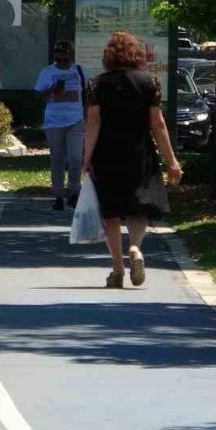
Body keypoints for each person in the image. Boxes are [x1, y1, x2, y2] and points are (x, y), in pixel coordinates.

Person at [83, 31, 182, 289]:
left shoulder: (96, 84)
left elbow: (93, 122)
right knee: (139, 206)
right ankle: (135, 248)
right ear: (137, 54)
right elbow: (157, 124)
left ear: (108, 57)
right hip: (140, 152)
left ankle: (117, 269)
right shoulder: (150, 82)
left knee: (111, 213)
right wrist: (171, 160)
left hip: (107, 152)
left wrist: (87, 156)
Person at [34, 40, 88, 211]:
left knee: (75, 158)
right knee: (56, 159)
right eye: (59, 58)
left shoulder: (79, 71)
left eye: (65, 57)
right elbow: (38, 96)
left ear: (71, 55)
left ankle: (74, 192)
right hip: (54, 121)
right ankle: (58, 194)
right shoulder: (47, 72)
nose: (62, 61)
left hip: (76, 120)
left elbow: (88, 95)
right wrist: (52, 89)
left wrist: (87, 116)